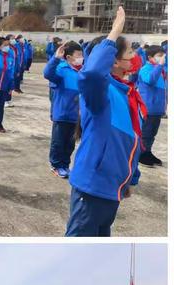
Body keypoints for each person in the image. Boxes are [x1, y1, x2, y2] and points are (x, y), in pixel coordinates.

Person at [66, 7, 146, 237]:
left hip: (113, 189)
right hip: (92, 188)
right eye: (129, 51)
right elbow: (90, 75)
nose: (133, 56)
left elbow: (132, 142)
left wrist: (130, 178)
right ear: (113, 61)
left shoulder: (128, 95)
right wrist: (114, 33)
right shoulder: (103, 94)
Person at [43, 41, 83, 179]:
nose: (81, 58)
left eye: (82, 55)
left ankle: (65, 164)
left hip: (76, 116)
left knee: (70, 143)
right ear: (68, 57)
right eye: (78, 55)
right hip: (62, 114)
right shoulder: (61, 69)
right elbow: (47, 73)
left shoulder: (81, 71)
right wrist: (55, 58)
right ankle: (56, 165)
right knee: (58, 142)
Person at [137, 45, 167, 167]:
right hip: (148, 108)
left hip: (157, 109)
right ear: (150, 57)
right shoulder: (146, 69)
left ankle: (147, 152)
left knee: (152, 133)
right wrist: (160, 65)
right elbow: (150, 80)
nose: (162, 59)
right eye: (159, 56)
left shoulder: (159, 70)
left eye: (163, 56)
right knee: (146, 133)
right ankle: (141, 155)